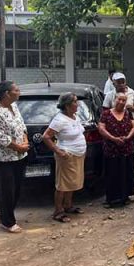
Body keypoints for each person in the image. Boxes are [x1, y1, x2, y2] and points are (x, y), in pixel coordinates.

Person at [0, 81, 29, 233]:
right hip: (5, 158)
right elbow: (0, 138)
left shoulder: (14, 107)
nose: (19, 92)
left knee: (16, 189)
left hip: (20, 156)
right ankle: (8, 222)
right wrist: (19, 147)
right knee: (7, 190)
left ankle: (3, 214)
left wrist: (25, 141)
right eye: (16, 90)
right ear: (7, 94)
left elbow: (22, 126)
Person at [42, 93, 86, 223]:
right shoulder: (59, 120)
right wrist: (58, 151)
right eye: (75, 102)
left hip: (77, 154)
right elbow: (46, 137)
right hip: (67, 155)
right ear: (67, 105)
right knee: (62, 184)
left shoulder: (74, 116)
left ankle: (68, 205)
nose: (77, 104)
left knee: (71, 182)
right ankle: (58, 211)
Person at [98, 93, 134, 207]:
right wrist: (113, 138)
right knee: (112, 173)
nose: (121, 102)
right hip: (111, 149)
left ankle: (125, 197)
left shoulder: (128, 113)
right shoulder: (106, 113)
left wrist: (128, 137)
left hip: (127, 148)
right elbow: (101, 128)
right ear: (114, 99)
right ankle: (112, 199)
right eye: (119, 99)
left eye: (124, 100)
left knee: (126, 172)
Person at [102, 72, 134, 186]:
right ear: (113, 83)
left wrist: (130, 108)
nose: (121, 84)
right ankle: (116, 179)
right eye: (118, 82)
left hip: (128, 127)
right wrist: (115, 110)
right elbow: (104, 110)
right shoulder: (110, 95)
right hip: (113, 129)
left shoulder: (131, 92)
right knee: (114, 155)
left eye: (122, 81)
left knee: (132, 153)